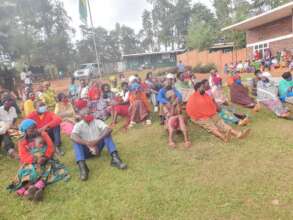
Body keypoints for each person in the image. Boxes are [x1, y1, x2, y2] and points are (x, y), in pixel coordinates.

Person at [7, 119, 69, 202]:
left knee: (46, 168)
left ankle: (33, 189)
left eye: (35, 128)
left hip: (47, 159)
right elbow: (23, 155)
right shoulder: (22, 140)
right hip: (31, 162)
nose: (34, 131)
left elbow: (51, 147)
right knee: (29, 171)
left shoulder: (43, 134)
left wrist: (45, 157)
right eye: (31, 129)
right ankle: (29, 189)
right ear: (24, 131)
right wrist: (35, 160)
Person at [71, 108, 127, 181]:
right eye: (85, 114)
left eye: (89, 113)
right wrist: (87, 143)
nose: (88, 115)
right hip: (86, 150)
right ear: (81, 117)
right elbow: (73, 136)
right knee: (75, 141)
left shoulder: (97, 121)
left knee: (107, 134)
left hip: (97, 146)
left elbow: (109, 129)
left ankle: (115, 159)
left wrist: (97, 141)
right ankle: (83, 167)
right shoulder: (78, 125)